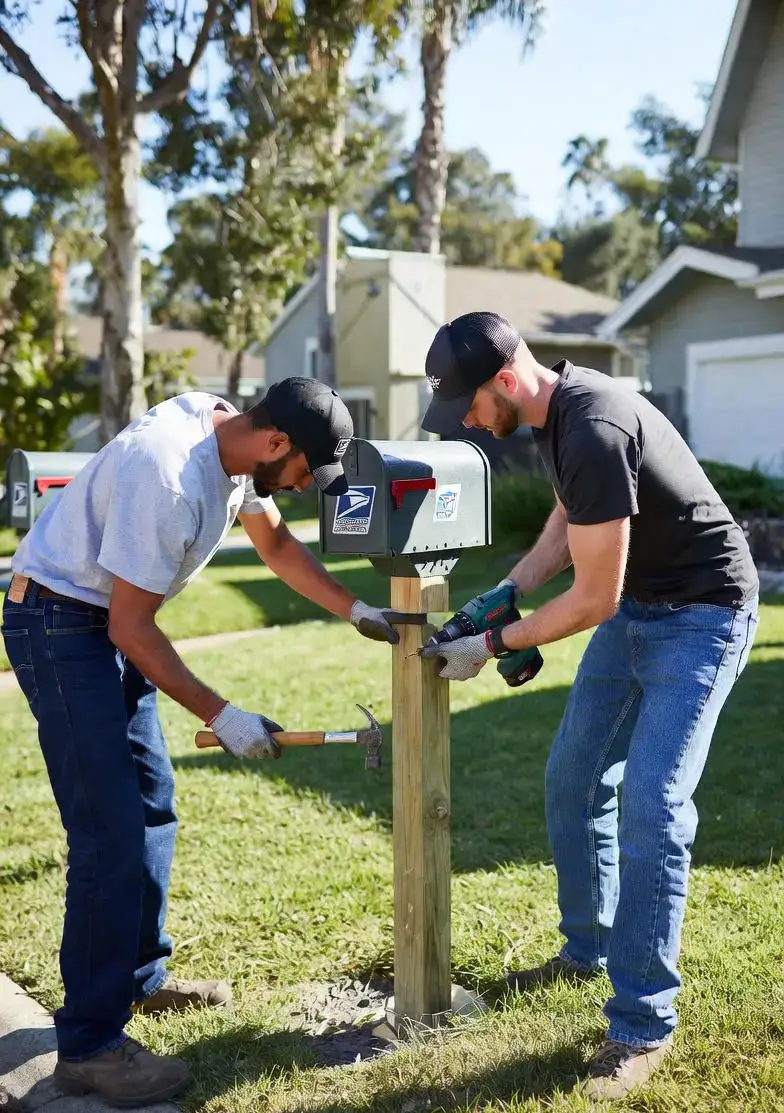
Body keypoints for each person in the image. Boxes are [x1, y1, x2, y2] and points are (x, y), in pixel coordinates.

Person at [1, 378, 404, 1108]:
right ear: (276, 442)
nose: (306, 486)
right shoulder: (169, 473)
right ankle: (89, 1045)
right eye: (306, 473)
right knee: (108, 832)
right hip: (59, 623)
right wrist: (224, 714)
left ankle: (138, 981)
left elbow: (274, 540)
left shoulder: (235, 440)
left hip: (101, 618)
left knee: (153, 803)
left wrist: (355, 608)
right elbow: (131, 628)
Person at [419, 312, 759, 1101]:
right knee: (573, 777)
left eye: (469, 406)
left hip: (703, 617)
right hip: (642, 607)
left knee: (653, 803)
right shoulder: (557, 414)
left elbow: (596, 596)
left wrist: (494, 643)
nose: (468, 422)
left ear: (505, 379)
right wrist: (511, 588)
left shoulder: (596, 423)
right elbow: (569, 519)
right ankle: (588, 948)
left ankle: (641, 1024)